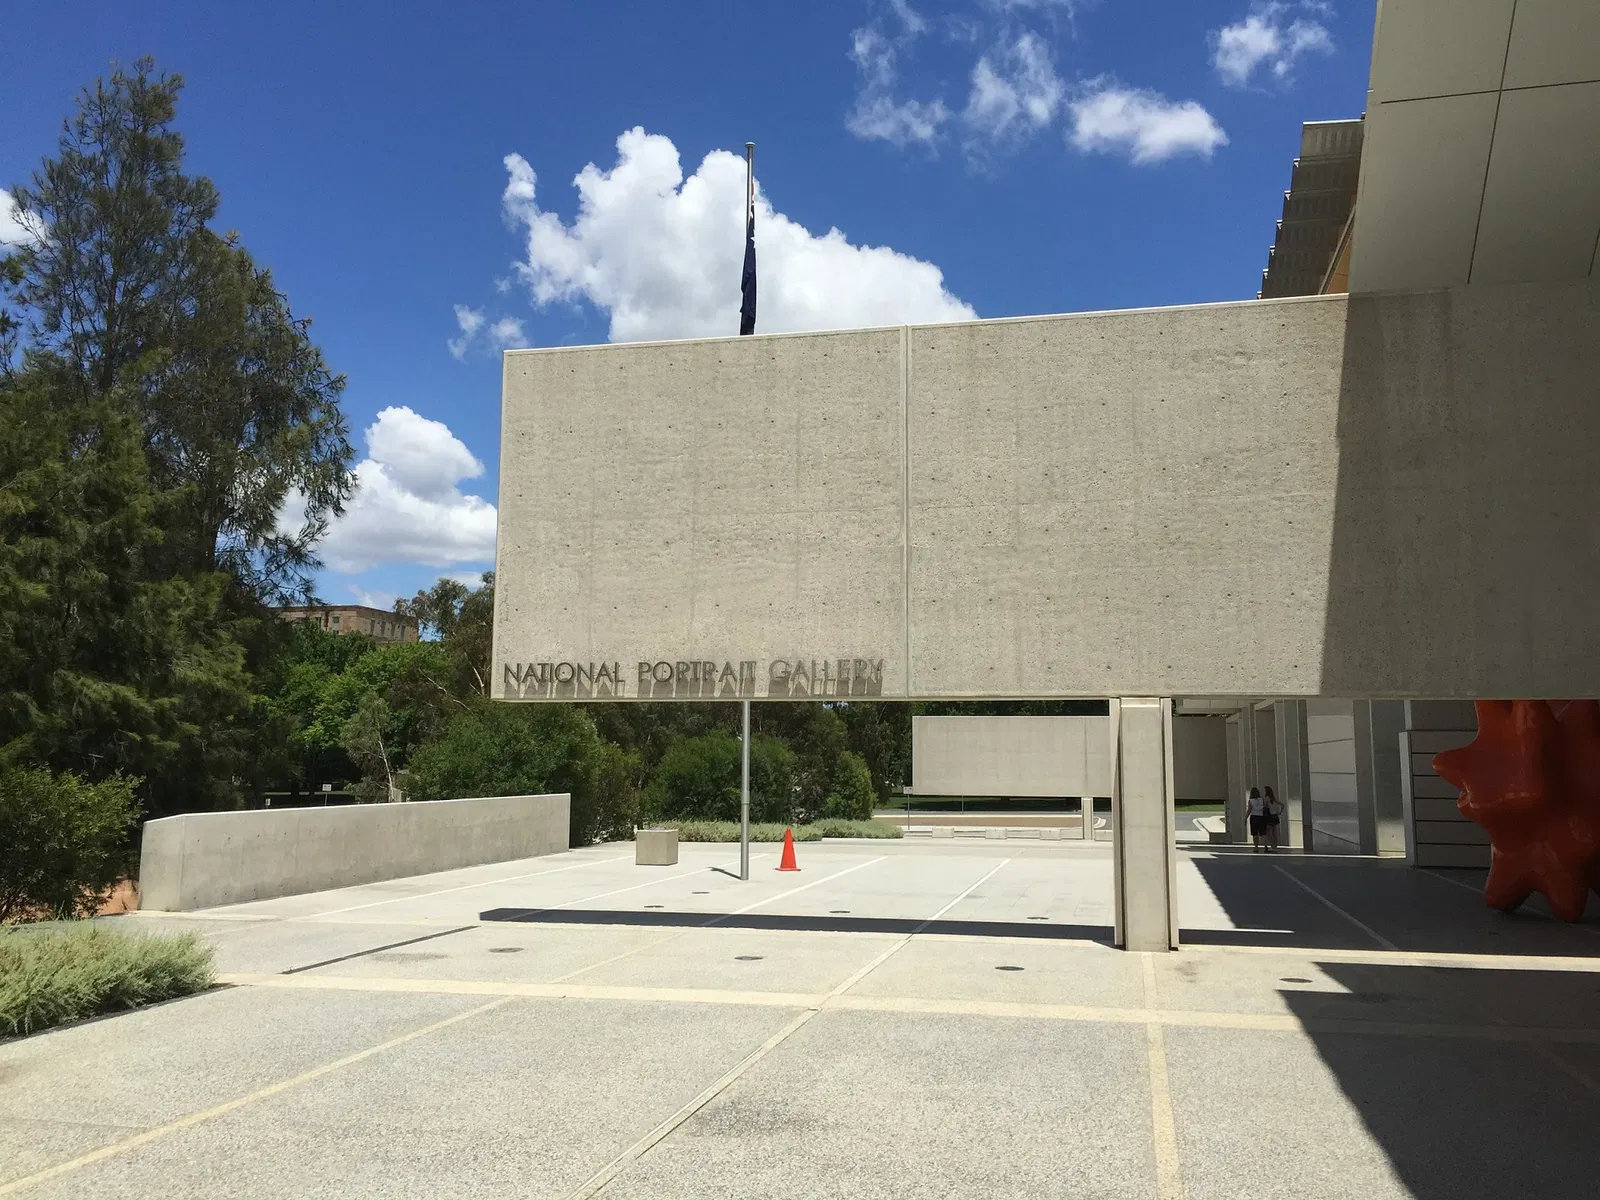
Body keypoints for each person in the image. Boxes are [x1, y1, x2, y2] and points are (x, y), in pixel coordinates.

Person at [1246, 786, 1271, 853]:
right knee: (1263, 833)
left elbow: (1249, 810)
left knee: (1255, 833)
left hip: (1254, 817)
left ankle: (1256, 847)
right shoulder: (1262, 799)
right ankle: (1265, 846)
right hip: (1262, 817)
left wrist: (1245, 818)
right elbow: (1265, 806)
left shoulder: (1250, 801)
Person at [1262, 785, 1282, 852]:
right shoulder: (1273, 798)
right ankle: (1275, 846)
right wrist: (1280, 812)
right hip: (1275, 816)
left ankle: (1272, 845)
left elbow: (1264, 806)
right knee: (1274, 832)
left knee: (1268, 832)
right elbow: (1282, 804)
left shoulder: (1266, 798)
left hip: (1269, 816)